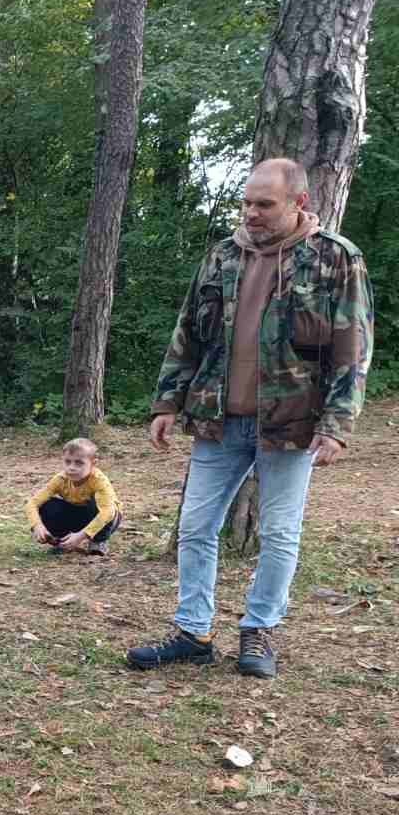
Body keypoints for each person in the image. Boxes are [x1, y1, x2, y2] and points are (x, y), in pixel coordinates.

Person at [129, 157, 374, 678]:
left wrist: (337, 423)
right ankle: (192, 632)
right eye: (246, 203)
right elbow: (187, 333)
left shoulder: (335, 259)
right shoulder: (222, 256)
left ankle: (259, 630)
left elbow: (353, 350)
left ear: (299, 202)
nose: (251, 213)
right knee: (196, 526)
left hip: (291, 423)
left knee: (280, 533)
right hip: (218, 419)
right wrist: (167, 402)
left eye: (265, 204)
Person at [27, 438, 122, 556]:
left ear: (93, 464)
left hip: (104, 518)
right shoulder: (60, 479)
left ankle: (98, 541)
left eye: (79, 463)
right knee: (47, 505)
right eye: (67, 462)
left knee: (102, 505)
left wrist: (81, 536)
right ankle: (63, 541)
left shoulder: (98, 480)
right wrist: (37, 525)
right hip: (78, 515)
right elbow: (32, 503)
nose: (71, 467)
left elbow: (107, 512)